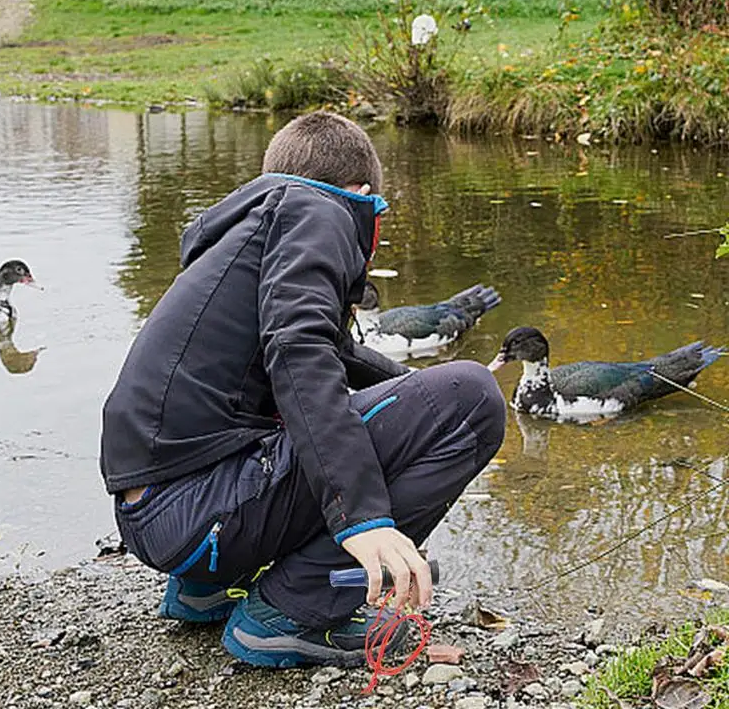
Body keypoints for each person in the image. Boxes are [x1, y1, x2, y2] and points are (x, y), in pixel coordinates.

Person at [99, 111, 506, 668]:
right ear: (359, 194)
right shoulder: (320, 211)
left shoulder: (252, 227)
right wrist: (362, 518)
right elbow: (299, 351)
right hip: (200, 513)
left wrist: (412, 394)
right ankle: (294, 610)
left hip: (158, 516)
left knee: (431, 400)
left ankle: (209, 587)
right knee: (474, 398)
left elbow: (331, 354)